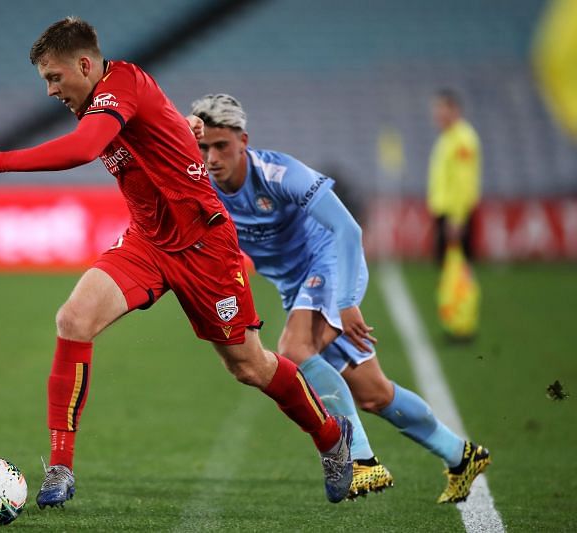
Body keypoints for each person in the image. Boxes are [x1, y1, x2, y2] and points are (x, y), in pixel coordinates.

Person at [0, 17, 354, 508]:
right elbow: (162, 127)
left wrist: (1, 160)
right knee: (73, 319)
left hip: (204, 247)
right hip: (148, 243)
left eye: (54, 77)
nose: (49, 91)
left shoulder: (119, 85)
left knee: (249, 366)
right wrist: (183, 130)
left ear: (85, 65)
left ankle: (329, 436)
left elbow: (85, 149)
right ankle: (60, 468)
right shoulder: (108, 97)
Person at [190, 93, 491, 503]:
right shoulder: (200, 187)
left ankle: (362, 461)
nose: (211, 157)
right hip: (296, 287)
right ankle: (462, 455)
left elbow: (347, 230)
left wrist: (346, 302)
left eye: (221, 145)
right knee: (374, 393)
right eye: (203, 146)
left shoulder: (278, 173)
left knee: (295, 349)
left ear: (244, 139)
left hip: (330, 264)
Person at [428, 89, 482, 265]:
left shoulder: (462, 140)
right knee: (448, 270)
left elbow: (463, 181)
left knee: (457, 271)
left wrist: (457, 218)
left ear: (455, 110)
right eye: (436, 108)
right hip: (445, 211)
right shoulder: (447, 138)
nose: (437, 113)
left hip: (454, 214)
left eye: (442, 108)